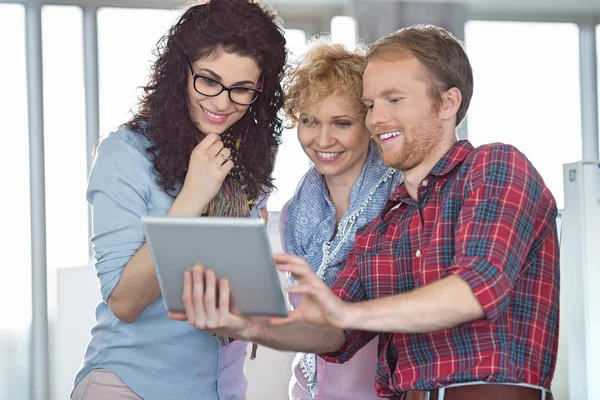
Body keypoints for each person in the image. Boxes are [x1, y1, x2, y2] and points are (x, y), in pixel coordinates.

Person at [173, 24, 559, 400]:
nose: (376, 118)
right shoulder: (389, 220)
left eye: (394, 99)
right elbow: (333, 335)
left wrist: (347, 314)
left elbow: (477, 289)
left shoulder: (494, 166)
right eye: (371, 104)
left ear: (447, 103)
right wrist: (246, 324)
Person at [71, 1, 287, 399]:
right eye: (208, 80)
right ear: (180, 71)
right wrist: (191, 198)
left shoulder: (247, 163)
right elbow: (124, 301)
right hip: (130, 384)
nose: (222, 103)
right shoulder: (125, 154)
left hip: (223, 388)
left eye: (241, 90)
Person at [280, 40, 400, 399]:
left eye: (342, 123)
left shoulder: (401, 201)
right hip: (311, 391)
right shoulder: (293, 214)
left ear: (370, 123)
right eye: (309, 121)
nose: (323, 139)